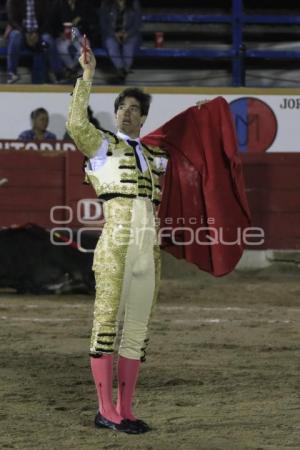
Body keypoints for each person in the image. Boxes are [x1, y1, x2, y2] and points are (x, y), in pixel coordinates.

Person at [66, 46, 168, 434]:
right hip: (116, 246)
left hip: (148, 250)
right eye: (122, 107)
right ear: (116, 113)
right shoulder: (101, 145)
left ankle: (125, 408)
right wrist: (87, 75)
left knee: (138, 329)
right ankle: (104, 409)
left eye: (133, 109)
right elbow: (77, 124)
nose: (127, 112)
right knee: (107, 324)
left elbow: (198, 153)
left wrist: (203, 114)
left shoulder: (156, 156)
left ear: (143, 117)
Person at [5, 0, 63, 84]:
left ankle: (58, 74)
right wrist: (25, 34)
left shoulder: (44, 2)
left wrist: (38, 34)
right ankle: (12, 73)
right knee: (15, 36)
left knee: (48, 40)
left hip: (39, 38)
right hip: (22, 37)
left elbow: (47, 20)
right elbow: (12, 20)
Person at [99, 0, 142, 82]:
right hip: (111, 33)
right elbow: (103, 24)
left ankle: (124, 70)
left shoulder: (134, 4)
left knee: (128, 48)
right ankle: (121, 69)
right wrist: (114, 34)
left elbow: (137, 24)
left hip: (130, 34)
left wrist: (127, 34)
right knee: (111, 45)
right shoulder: (106, 4)